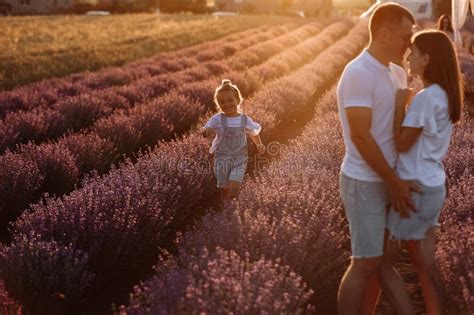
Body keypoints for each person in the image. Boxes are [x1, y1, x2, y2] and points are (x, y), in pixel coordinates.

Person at [336, 3, 420, 314]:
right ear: (384, 34)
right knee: (364, 262)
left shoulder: (396, 72)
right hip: (364, 181)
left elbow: (395, 129)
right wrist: (394, 180)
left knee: (383, 261)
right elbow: (361, 136)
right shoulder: (358, 73)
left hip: (389, 179)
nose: (409, 44)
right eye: (405, 37)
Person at [380, 30, 463, 315]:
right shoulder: (445, 94)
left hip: (416, 188)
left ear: (426, 59)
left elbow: (402, 143)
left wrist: (399, 103)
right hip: (433, 185)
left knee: (381, 262)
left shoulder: (427, 98)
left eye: (413, 52)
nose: (408, 57)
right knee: (426, 268)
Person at [203, 79, 265, 204]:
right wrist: (207, 131)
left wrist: (259, 144)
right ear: (218, 105)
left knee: (234, 185)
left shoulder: (244, 119)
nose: (227, 104)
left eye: (230, 100)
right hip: (222, 157)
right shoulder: (217, 119)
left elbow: (253, 132)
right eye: (222, 102)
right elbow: (206, 128)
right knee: (224, 184)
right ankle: (226, 199)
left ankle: (231, 201)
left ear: (238, 100)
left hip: (239, 157)